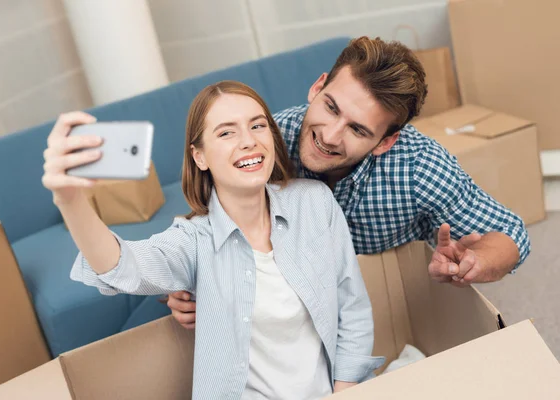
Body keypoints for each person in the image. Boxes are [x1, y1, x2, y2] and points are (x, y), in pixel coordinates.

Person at [41, 81, 385, 399]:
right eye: (226, 133)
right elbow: (122, 265)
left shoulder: (314, 202)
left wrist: (345, 390)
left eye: (257, 125)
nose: (248, 140)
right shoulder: (193, 240)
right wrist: (70, 201)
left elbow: (351, 306)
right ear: (199, 156)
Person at [167, 36, 531, 329]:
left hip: (380, 303)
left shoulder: (419, 167)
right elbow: (208, 224)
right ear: (317, 87)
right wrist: (187, 288)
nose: (329, 135)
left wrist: (473, 262)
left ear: (386, 141)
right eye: (331, 107)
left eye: (357, 129)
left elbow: (510, 233)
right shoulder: (265, 141)